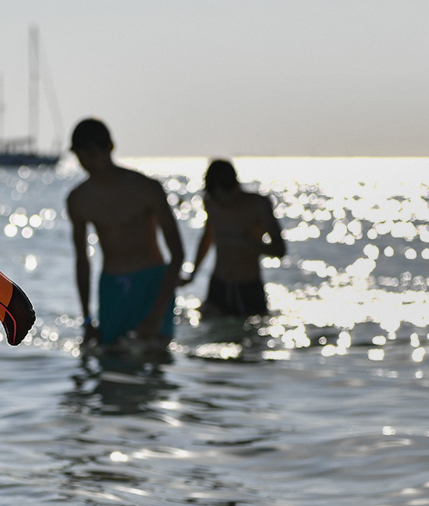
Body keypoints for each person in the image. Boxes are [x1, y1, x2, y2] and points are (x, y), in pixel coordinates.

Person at [66, 118, 184, 347]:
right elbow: (82, 261)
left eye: (91, 154)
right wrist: (88, 320)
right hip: (112, 286)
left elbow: (177, 254)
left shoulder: (147, 188)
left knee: (154, 356)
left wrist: (158, 314)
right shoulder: (79, 199)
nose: (87, 163)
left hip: (152, 282)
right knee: (110, 363)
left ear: (109, 147)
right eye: (80, 156)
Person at [185, 159, 286, 318]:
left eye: (226, 199)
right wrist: (193, 274)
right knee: (210, 335)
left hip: (248, 287)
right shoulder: (211, 203)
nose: (223, 205)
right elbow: (207, 237)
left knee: (250, 339)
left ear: (236, 187)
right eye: (217, 199)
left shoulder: (258, 204)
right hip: (219, 285)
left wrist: (244, 243)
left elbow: (280, 250)